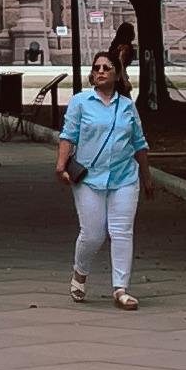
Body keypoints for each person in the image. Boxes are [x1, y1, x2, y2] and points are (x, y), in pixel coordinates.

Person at [56, 46, 149, 306]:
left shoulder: (127, 106)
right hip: (89, 179)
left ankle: (121, 288)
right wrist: (61, 165)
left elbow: (139, 143)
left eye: (106, 68)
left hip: (124, 178)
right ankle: (80, 272)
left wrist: (147, 177)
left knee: (121, 232)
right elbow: (68, 135)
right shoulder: (80, 102)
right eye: (96, 68)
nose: (100, 72)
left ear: (117, 74)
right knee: (93, 234)